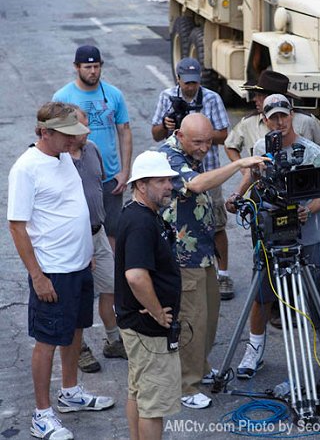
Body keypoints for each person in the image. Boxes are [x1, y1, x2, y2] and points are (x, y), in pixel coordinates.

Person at [8, 102, 115, 440]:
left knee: (76, 330)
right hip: (52, 271)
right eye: (66, 135)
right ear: (45, 132)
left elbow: (72, 206)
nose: (74, 141)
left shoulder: (65, 156)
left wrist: (86, 252)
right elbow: (17, 227)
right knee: (47, 341)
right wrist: (38, 276)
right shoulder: (25, 168)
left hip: (80, 264)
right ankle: (41, 415)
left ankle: (70, 393)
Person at [227, 94, 320, 380]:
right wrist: (237, 194)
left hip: (306, 239)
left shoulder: (312, 153)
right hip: (271, 235)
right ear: (266, 120)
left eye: (284, 115)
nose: (280, 122)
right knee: (262, 294)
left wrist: (308, 209)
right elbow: (253, 176)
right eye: (274, 118)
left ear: (292, 115)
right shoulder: (261, 147)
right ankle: (254, 350)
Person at [159, 113, 267, 409]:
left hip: (203, 251)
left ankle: (202, 369)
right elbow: (195, 185)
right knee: (191, 320)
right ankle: (186, 384)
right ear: (180, 135)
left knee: (208, 316)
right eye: (198, 142)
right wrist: (238, 164)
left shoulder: (190, 151)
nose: (205, 148)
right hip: (183, 257)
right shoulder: (168, 156)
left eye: (208, 142)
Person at [151, 57, 235, 301]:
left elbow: (222, 135)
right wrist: (169, 125)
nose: (191, 87)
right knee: (177, 226)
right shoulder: (167, 97)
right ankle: (178, 271)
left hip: (209, 173)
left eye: (195, 82)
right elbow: (156, 134)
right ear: (178, 79)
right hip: (178, 177)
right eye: (187, 83)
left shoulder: (211, 98)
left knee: (217, 224)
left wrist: (199, 132)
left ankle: (223, 273)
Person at [115, 151, 181, 440]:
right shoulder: (141, 222)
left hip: (136, 326)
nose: (169, 185)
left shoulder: (137, 213)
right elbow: (136, 276)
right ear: (141, 185)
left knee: (139, 392)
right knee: (153, 405)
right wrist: (156, 310)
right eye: (161, 180)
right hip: (149, 330)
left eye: (169, 179)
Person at [53, 45, 133, 250]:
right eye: (87, 67)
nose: (93, 71)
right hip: (76, 176)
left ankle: (110, 277)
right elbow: (53, 139)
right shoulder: (62, 97)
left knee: (112, 230)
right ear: (76, 67)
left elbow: (124, 132)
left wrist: (125, 172)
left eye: (96, 66)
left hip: (110, 178)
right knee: (79, 228)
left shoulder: (114, 94)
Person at [68, 107, 127, 376]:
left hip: (97, 232)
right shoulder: (57, 160)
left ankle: (114, 340)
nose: (89, 131)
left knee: (110, 286)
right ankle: (78, 349)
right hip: (74, 240)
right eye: (82, 127)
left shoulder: (91, 148)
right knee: (78, 296)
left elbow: (98, 185)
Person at [224, 70, 320, 162]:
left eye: (260, 95)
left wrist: (310, 163)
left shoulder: (306, 120)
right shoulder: (248, 122)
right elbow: (230, 146)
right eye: (255, 95)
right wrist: (245, 169)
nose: (255, 99)